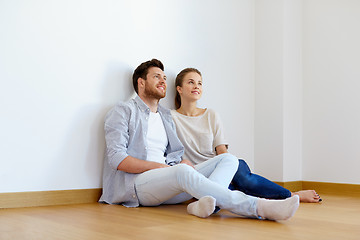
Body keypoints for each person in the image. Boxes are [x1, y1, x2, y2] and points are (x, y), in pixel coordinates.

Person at [99, 59, 300, 220]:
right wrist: (163, 168)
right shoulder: (123, 111)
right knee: (182, 172)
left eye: (164, 77)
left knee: (229, 160)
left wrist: (179, 163)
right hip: (137, 187)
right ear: (141, 83)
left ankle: (202, 205)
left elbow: (174, 157)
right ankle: (259, 206)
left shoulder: (165, 116)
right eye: (156, 77)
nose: (162, 81)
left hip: (167, 184)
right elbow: (117, 159)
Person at [172, 67, 321, 203]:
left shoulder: (211, 114)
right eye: (191, 82)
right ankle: (266, 202)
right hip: (199, 175)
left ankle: (293, 195)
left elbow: (222, 152)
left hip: (222, 169)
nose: (196, 86)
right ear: (179, 89)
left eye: (200, 83)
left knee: (244, 180)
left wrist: (224, 174)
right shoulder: (171, 118)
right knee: (223, 199)